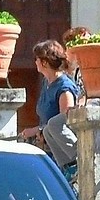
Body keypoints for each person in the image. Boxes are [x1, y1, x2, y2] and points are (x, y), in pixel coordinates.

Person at [24, 40, 82, 172]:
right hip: (49, 147)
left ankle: (72, 168)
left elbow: (65, 121)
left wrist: (36, 130)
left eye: (36, 59)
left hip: (63, 152)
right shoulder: (46, 82)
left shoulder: (64, 87)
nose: (35, 62)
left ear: (44, 62)